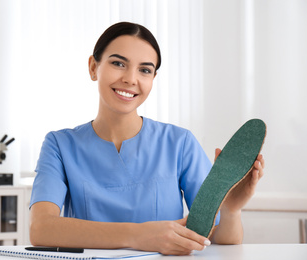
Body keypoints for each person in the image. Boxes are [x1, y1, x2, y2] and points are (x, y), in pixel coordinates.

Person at [29, 22, 265, 256]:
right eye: (118, 63)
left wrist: (231, 210)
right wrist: (139, 236)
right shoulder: (59, 146)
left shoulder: (179, 143)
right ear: (93, 67)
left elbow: (218, 238)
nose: (131, 79)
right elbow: (41, 229)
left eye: (145, 70)